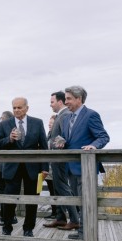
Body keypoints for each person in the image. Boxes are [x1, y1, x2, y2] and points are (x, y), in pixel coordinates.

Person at [58, 86, 110, 240]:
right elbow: (68, 139)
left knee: (87, 203)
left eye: (68, 98)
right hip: (71, 167)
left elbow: (103, 137)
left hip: (86, 167)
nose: (65, 102)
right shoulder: (66, 117)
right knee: (78, 202)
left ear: (79, 99)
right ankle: (82, 232)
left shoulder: (91, 115)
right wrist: (61, 142)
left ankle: (86, 235)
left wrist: (94, 146)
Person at [0, 97, 49, 237]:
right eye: (14, 108)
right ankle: (7, 226)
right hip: (11, 168)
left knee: (32, 199)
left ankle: (28, 228)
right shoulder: (5, 124)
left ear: (27, 108)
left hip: (33, 167)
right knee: (9, 199)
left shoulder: (37, 123)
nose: (16, 110)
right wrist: (9, 139)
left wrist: (45, 168)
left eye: (19, 107)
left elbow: (44, 147)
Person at [43, 91, 80, 230]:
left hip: (60, 158)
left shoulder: (65, 115)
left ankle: (75, 219)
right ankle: (60, 218)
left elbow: (65, 136)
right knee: (58, 188)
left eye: (52, 101)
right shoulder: (61, 115)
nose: (50, 104)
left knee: (63, 187)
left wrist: (55, 144)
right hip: (56, 157)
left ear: (60, 102)